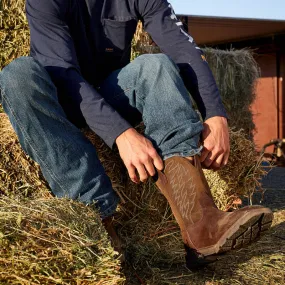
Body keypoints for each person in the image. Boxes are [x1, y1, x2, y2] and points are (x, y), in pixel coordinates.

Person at [0, 0, 272, 268]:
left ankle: (202, 225)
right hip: (58, 101)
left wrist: (215, 113)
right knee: (17, 75)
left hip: (109, 93)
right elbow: (62, 73)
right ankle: (97, 223)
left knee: (155, 66)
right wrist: (121, 133)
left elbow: (181, 47)